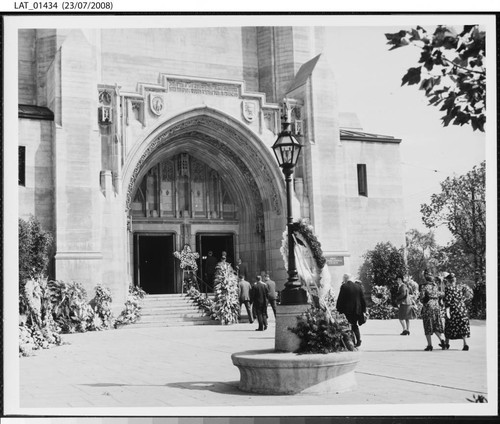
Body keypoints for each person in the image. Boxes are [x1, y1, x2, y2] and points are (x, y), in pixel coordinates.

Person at [336, 274, 366, 347]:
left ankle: (350, 342)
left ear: (345, 279)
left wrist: (338, 309)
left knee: (347, 325)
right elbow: (363, 299)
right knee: (354, 325)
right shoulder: (358, 287)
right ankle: (358, 340)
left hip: (347, 310)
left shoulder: (344, 286)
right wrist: (364, 310)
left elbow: (340, 299)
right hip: (357, 310)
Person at [443, 273, 471, 351]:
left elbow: (448, 300)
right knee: (462, 326)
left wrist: (446, 310)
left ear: (448, 281)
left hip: (453, 309)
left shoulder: (448, 289)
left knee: (448, 324)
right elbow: (463, 297)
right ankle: (465, 343)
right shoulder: (459, 288)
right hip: (461, 308)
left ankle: (446, 343)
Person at [419, 271, 446, 351]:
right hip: (436, 306)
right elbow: (441, 294)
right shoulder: (435, 286)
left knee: (428, 326)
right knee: (435, 325)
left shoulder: (424, 287)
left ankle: (429, 345)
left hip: (428, 307)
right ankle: (442, 340)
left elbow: (421, 298)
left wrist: (423, 301)